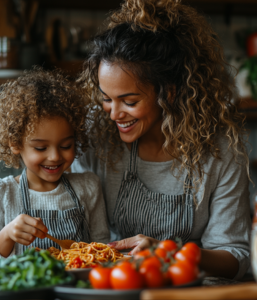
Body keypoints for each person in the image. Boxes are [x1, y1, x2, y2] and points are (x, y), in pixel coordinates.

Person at [72, 0, 251, 279]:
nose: (114, 114)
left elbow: (235, 258)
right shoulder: (96, 133)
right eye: (106, 99)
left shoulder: (220, 149)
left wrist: (170, 252)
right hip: (111, 284)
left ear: (169, 93)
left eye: (129, 102)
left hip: (186, 290)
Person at [0, 67, 110, 260]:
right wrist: (7, 234)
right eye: (40, 148)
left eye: (65, 145)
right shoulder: (2, 193)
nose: (54, 156)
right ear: (15, 143)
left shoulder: (88, 186)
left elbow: (103, 250)